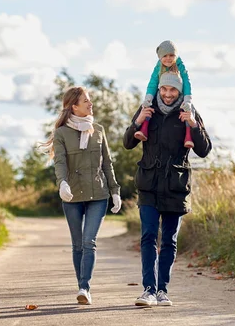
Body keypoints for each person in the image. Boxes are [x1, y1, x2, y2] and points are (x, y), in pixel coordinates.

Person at [123, 71, 212, 307]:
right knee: (148, 236)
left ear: (180, 92)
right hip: (149, 185)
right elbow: (127, 143)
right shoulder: (147, 109)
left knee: (169, 241)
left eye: (173, 90)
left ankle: (163, 291)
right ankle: (148, 290)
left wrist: (193, 125)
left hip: (175, 186)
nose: (168, 94)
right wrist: (136, 121)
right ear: (159, 89)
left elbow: (204, 149)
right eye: (164, 89)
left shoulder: (189, 112)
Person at [41, 86, 122, 305]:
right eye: (86, 100)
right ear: (73, 106)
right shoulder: (61, 133)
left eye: (90, 100)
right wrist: (62, 183)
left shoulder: (98, 130)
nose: (91, 103)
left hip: (98, 194)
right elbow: (59, 163)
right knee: (78, 245)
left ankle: (85, 287)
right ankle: (81, 287)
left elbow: (107, 162)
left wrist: (115, 191)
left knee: (89, 242)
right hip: (73, 195)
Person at [135, 40, 194, 149]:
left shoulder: (180, 64)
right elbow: (153, 83)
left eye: (171, 55)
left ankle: (188, 135)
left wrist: (187, 100)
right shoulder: (158, 67)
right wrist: (148, 98)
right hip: (156, 95)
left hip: (181, 96)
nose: (168, 58)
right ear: (159, 57)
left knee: (187, 111)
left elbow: (186, 82)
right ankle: (144, 128)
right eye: (165, 56)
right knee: (149, 106)